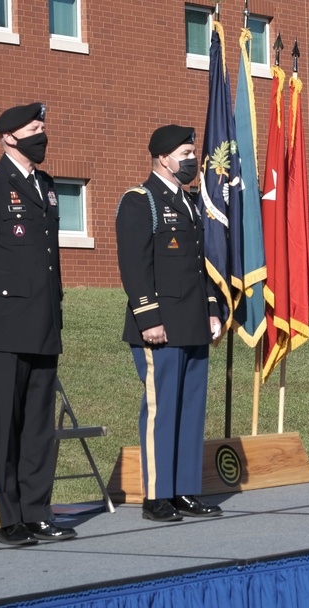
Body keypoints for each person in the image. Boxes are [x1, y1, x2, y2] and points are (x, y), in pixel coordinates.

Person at [0, 102, 76, 545]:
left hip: (43, 321)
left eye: (44, 126)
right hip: (2, 324)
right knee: (4, 423)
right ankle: (7, 518)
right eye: (33, 128)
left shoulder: (45, 185)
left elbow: (48, 259)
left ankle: (36, 511)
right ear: (8, 137)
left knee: (39, 427)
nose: (41, 135)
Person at [115, 124, 223, 522]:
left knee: (191, 409)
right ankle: (156, 496)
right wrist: (148, 318)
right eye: (184, 152)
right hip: (159, 326)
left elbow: (200, 267)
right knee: (161, 410)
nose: (191, 159)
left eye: (192, 152)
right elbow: (135, 267)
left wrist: (212, 309)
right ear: (163, 158)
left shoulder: (192, 202)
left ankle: (184, 490)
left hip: (193, 323)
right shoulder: (140, 201)